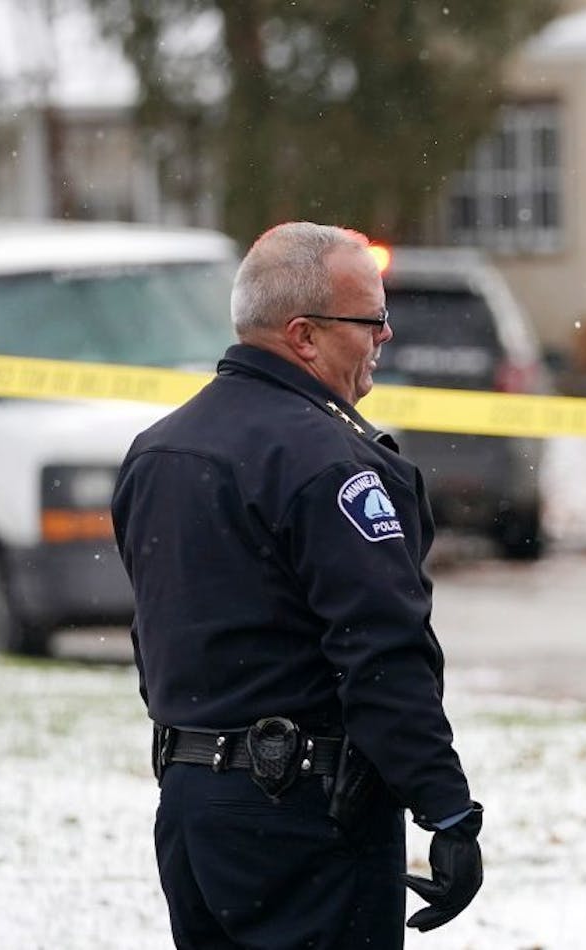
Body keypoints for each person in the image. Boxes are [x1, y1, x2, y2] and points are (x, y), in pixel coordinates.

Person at [111, 222, 482, 949]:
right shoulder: (328, 464)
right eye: (371, 320)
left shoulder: (159, 450)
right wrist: (445, 809)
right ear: (304, 335)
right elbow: (382, 652)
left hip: (192, 811)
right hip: (304, 818)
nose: (385, 335)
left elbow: (157, 634)